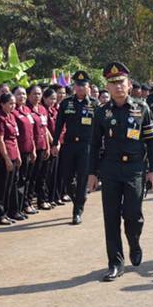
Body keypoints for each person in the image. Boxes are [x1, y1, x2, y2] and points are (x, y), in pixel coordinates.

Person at [87, 61, 153, 282]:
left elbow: (151, 140)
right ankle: (115, 263)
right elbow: (94, 144)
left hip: (135, 170)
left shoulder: (142, 109)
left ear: (129, 85)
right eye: (112, 83)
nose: (117, 87)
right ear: (107, 87)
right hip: (110, 170)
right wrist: (92, 173)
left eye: (121, 82)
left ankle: (134, 242)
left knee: (133, 215)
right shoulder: (101, 113)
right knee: (111, 218)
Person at [52, 71, 97, 224]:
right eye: (77, 85)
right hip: (69, 145)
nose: (79, 88)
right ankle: (80, 196)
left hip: (86, 146)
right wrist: (54, 143)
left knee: (83, 177)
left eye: (83, 85)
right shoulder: (66, 103)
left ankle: (77, 211)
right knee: (66, 177)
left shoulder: (94, 104)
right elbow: (58, 125)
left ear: (88, 87)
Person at [0, 92, 21, 224]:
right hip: (5, 156)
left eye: (14, 103)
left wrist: (18, 155)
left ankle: (6, 213)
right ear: (2, 104)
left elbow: (14, 138)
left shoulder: (11, 116)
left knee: (9, 186)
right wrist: (7, 158)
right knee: (1, 187)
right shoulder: (0, 118)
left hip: (14, 153)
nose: (12, 106)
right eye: (10, 103)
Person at [12, 87, 37, 216]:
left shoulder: (27, 110)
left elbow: (31, 133)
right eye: (18, 94)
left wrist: (33, 149)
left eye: (23, 94)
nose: (21, 96)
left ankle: (24, 205)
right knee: (18, 180)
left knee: (26, 179)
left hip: (29, 149)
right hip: (19, 151)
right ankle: (16, 209)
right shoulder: (13, 112)